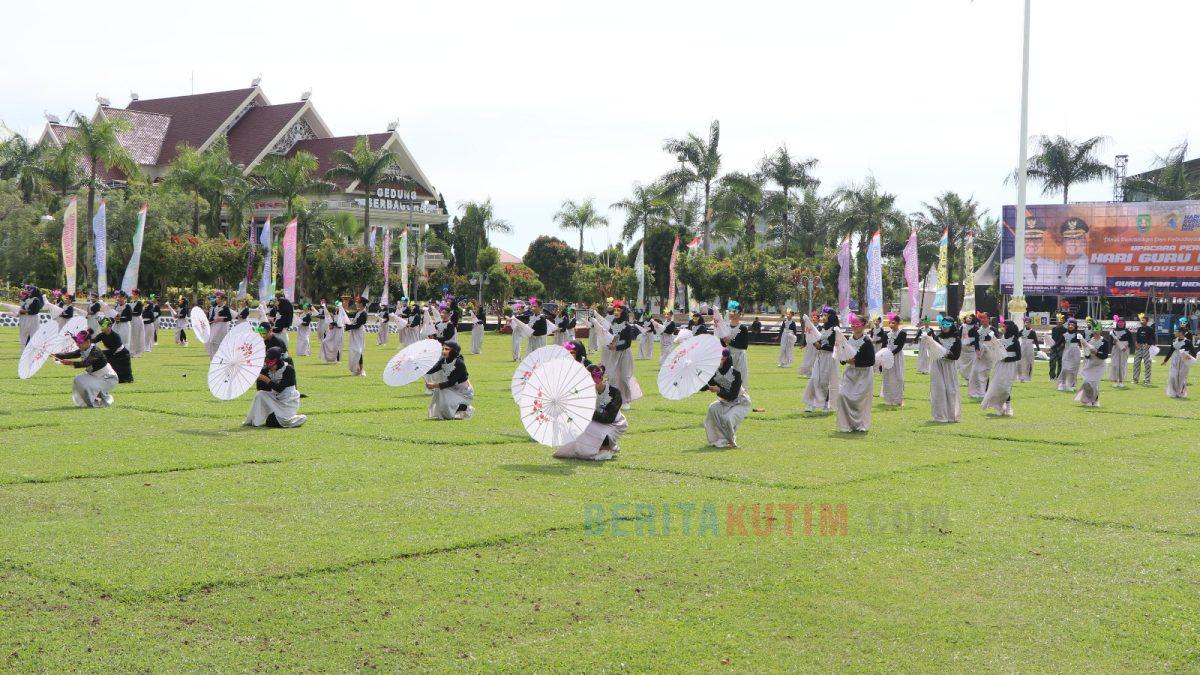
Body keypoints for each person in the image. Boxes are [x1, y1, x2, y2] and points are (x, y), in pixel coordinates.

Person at [553, 364, 625, 460]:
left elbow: (609, 418)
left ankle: (605, 447)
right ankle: (591, 449)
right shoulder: (583, 393)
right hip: (593, 421)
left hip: (614, 423)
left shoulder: (614, 393)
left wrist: (588, 412)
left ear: (601, 379)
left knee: (590, 427)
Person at [53, 330, 118, 408]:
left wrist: (71, 363)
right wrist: (57, 355)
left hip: (107, 378)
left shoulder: (96, 351)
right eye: (77, 343)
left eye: (80, 343)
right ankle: (92, 402)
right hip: (94, 376)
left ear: (88, 341)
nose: (78, 345)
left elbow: (86, 363)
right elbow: (72, 354)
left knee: (86, 385)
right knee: (79, 380)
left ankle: (102, 401)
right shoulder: (83, 349)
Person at [244, 347, 307, 428]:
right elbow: (262, 389)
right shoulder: (265, 370)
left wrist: (265, 379)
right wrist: (257, 379)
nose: (268, 364)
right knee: (260, 394)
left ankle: (295, 419)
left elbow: (279, 389)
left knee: (279, 422)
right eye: (266, 360)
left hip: (288, 401)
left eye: (270, 360)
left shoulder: (288, 369)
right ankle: (256, 420)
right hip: (275, 398)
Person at [835, 314, 875, 433]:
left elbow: (871, 361)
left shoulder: (867, 341)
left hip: (863, 374)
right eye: (852, 324)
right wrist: (844, 359)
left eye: (857, 324)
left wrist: (856, 361)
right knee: (842, 395)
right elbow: (842, 356)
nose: (854, 326)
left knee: (859, 401)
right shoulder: (849, 339)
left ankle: (860, 425)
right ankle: (846, 424)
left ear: (863, 326)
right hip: (850, 373)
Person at [703, 348, 751, 448]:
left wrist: (718, 390)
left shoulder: (735, 374)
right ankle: (719, 440)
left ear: (726, 360)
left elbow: (733, 395)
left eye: (720, 359)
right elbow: (706, 386)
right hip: (725, 401)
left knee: (728, 418)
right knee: (713, 408)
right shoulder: (714, 373)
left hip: (740, 402)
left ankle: (730, 441)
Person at [924, 315, 962, 423]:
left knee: (951, 390)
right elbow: (933, 350)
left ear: (952, 326)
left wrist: (943, 353)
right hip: (937, 366)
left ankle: (952, 415)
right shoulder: (937, 337)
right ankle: (940, 416)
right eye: (943, 324)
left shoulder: (956, 339)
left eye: (947, 324)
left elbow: (955, 356)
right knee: (939, 389)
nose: (944, 327)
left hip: (949, 367)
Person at [605, 302, 642, 410]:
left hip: (625, 353)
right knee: (611, 376)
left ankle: (626, 400)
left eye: (618, 311)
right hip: (614, 354)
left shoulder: (627, 326)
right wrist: (610, 343)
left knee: (624, 377)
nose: (616, 312)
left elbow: (627, 343)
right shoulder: (612, 324)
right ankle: (613, 399)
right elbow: (612, 337)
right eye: (615, 310)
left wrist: (616, 346)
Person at [425, 340, 475, 419]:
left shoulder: (459, 363)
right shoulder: (444, 360)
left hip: (463, 392)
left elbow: (451, 382)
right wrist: (419, 368)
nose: (443, 351)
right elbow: (433, 369)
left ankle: (466, 408)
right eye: (443, 348)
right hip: (451, 388)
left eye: (447, 349)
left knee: (444, 398)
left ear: (453, 351)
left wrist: (434, 385)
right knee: (440, 396)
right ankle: (448, 413)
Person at [980, 320, 1021, 416]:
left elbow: (1018, 356)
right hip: (999, 365)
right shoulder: (999, 339)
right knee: (997, 385)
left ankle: (1008, 407)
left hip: (1010, 366)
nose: (1002, 327)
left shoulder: (1015, 341)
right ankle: (999, 407)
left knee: (1006, 388)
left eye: (1004, 326)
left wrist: (1007, 359)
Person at [803, 308, 839, 413]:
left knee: (825, 381)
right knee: (814, 379)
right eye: (823, 315)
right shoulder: (823, 328)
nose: (823, 317)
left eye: (826, 315)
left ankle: (825, 403)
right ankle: (812, 403)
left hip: (830, 358)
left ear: (831, 317)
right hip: (820, 357)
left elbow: (834, 347)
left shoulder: (835, 330)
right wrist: (813, 341)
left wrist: (821, 346)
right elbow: (818, 342)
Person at [1075, 319, 1110, 407]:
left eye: (1097, 330)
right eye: (1094, 330)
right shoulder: (1090, 341)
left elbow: (1105, 355)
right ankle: (1088, 400)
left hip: (1099, 366)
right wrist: (1086, 350)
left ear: (1100, 331)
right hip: (1090, 365)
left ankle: (1095, 400)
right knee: (1086, 382)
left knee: (1094, 384)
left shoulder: (1104, 342)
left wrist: (1096, 352)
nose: (1095, 332)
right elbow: (1087, 356)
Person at [90, 317, 133, 383]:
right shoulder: (101, 335)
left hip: (123, 355)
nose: (102, 327)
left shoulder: (116, 336)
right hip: (112, 353)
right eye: (101, 326)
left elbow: (114, 350)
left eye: (103, 326)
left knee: (124, 376)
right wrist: (84, 339)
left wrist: (101, 352)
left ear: (110, 326)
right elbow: (93, 341)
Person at [879, 313, 907, 406]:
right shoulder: (887, 334)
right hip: (887, 357)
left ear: (898, 323)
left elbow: (899, 347)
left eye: (894, 323)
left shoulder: (902, 333)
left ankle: (898, 399)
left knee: (898, 377)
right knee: (888, 377)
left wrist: (890, 354)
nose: (891, 324)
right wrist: (882, 358)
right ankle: (889, 399)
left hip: (897, 357)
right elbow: (883, 346)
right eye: (890, 323)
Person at [1165, 321, 1195, 399]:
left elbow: (1193, 352)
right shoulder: (1174, 341)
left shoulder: (1188, 342)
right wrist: (1165, 360)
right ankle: (1173, 393)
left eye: (1176, 331)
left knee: (1181, 378)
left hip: (1183, 361)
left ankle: (1181, 393)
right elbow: (1171, 351)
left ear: (1181, 333)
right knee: (1173, 376)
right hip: (1174, 360)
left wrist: (1190, 357)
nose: (1175, 332)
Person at [722, 302, 750, 387]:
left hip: (739, 356)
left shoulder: (742, 328)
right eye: (730, 311)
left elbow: (744, 345)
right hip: (728, 355)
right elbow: (722, 343)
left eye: (734, 311)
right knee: (727, 377)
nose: (732, 314)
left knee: (740, 377)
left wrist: (729, 341)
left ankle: (741, 397)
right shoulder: (725, 326)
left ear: (740, 313)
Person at [968, 313, 995, 400]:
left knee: (985, 373)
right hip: (979, 354)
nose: (983, 320)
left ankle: (985, 391)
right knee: (975, 371)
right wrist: (977, 351)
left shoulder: (992, 329)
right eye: (981, 318)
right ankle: (976, 391)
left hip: (989, 354)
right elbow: (976, 342)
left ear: (988, 319)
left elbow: (993, 340)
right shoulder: (978, 330)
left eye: (984, 318)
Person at [1056, 318, 1083, 392]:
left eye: (1072, 325)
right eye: (1069, 325)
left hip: (1076, 353)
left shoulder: (1078, 335)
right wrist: (1052, 347)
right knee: (1065, 368)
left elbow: (1083, 343)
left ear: (1075, 326)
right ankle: (1062, 383)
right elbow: (1058, 343)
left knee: (1074, 370)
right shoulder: (1064, 335)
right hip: (1066, 353)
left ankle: (1072, 385)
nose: (1070, 326)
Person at [1108, 315, 1134, 387]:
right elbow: (1110, 342)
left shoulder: (1127, 332)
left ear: (1124, 323)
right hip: (1115, 348)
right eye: (1119, 322)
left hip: (1124, 349)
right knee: (1115, 364)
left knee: (1122, 365)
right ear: (1117, 323)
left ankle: (1121, 381)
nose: (1121, 323)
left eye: (1122, 322)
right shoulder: (1113, 332)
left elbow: (1131, 342)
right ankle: (1115, 381)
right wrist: (1113, 342)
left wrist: (1127, 346)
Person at [1132, 313, 1155, 386]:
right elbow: (1137, 338)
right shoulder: (1139, 329)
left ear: (1147, 321)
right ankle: (1135, 379)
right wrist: (1136, 344)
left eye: (1143, 320)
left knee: (1147, 364)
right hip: (1139, 347)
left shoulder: (1150, 329)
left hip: (1146, 347)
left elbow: (1153, 339)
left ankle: (1147, 380)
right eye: (1141, 320)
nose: (1142, 321)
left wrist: (1149, 344)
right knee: (1136, 363)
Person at [346, 298, 368, 375]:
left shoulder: (364, 314)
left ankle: (361, 370)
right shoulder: (358, 312)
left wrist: (348, 327)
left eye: (358, 302)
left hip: (359, 333)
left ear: (362, 304)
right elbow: (350, 316)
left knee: (359, 351)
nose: (356, 304)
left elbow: (358, 325)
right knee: (354, 350)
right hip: (354, 333)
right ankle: (357, 369)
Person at [208, 292, 232, 357]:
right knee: (212, 341)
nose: (217, 300)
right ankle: (214, 356)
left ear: (222, 300)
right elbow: (212, 317)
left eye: (218, 298)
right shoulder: (215, 308)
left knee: (221, 341)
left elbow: (229, 318)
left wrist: (220, 319)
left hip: (223, 327)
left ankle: (221, 356)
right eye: (217, 298)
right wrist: (207, 323)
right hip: (214, 326)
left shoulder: (225, 308)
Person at [1017, 317, 1040, 382]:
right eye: (1026, 322)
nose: (1027, 324)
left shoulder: (1032, 332)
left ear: (1030, 323)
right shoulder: (1022, 331)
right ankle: (1020, 376)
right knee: (1019, 362)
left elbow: (1036, 341)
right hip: (1022, 347)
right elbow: (1016, 337)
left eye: (1028, 322)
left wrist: (1039, 350)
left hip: (1029, 348)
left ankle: (1028, 377)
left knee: (1029, 363)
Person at [958, 313, 978, 388]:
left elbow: (977, 338)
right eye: (967, 318)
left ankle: (971, 379)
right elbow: (958, 336)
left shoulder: (976, 327)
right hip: (963, 349)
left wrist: (972, 343)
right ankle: (966, 378)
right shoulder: (962, 327)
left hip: (972, 349)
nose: (968, 319)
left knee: (972, 365)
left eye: (970, 318)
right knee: (963, 364)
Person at [1048, 314, 1067, 380]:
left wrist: (1063, 345)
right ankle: (1052, 376)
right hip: (1054, 347)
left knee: (1060, 363)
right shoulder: (1053, 329)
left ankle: (1059, 377)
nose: (1059, 322)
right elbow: (1052, 338)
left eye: (1061, 320)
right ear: (1056, 321)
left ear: (1063, 321)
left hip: (1061, 348)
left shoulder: (1065, 330)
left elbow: (1065, 339)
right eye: (1058, 320)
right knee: (1052, 362)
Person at [128, 289, 145, 357]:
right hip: (132, 320)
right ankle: (132, 351)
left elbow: (138, 313)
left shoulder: (139, 303)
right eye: (132, 294)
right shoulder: (133, 302)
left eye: (134, 294)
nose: (133, 295)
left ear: (137, 295)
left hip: (137, 320)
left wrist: (130, 313)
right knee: (132, 335)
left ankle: (136, 352)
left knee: (136, 335)